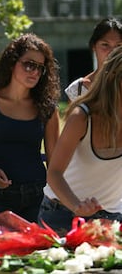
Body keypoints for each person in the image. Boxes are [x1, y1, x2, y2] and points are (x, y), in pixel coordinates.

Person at [0, 33, 61, 223]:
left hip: (37, 197)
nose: (34, 72)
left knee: (36, 253)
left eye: (40, 68)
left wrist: (57, 200)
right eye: (29, 64)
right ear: (11, 63)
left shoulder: (48, 109)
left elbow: (55, 163)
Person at [39, 45, 122, 236]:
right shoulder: (82, 117)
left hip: (111, 219)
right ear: (114, 81)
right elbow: (54, 173)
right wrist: (76, 205)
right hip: (62, 215)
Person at [65, 17, 122, 101]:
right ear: (93, 46)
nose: (112, 52)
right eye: (105, 45)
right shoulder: (79, 89)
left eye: (118, 46)